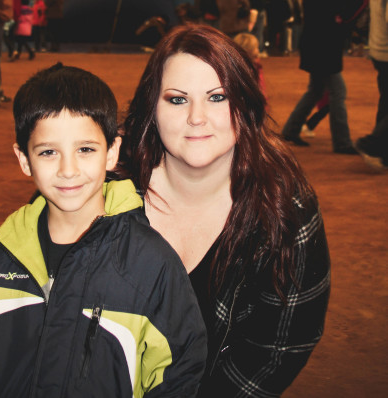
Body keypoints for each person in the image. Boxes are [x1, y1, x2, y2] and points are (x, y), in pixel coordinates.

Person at [0, 63, 207, 398]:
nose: (68, 170)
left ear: (112, 151)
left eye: (85, 149)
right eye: (48, 152)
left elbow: (179, 371)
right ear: (24, 158)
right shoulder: (0, 254)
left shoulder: (151, 264)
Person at [119, 24, 330, 397]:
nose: (197, 117)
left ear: (245, 104)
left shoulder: (285, 210)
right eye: (177, 99)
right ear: (152, 106)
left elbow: (279, 348)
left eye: (217, 97)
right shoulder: (103, 191)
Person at [281, 0, 368, 153]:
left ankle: (291, 130)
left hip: (317, 42)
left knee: (316, 90)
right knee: (338, 91)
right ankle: (342, 142)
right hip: (324, 45)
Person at [355, 0, 388, 170]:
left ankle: (383, 151)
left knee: (385, 100)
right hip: (386, 51)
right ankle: (372, 144)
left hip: (378, 50)